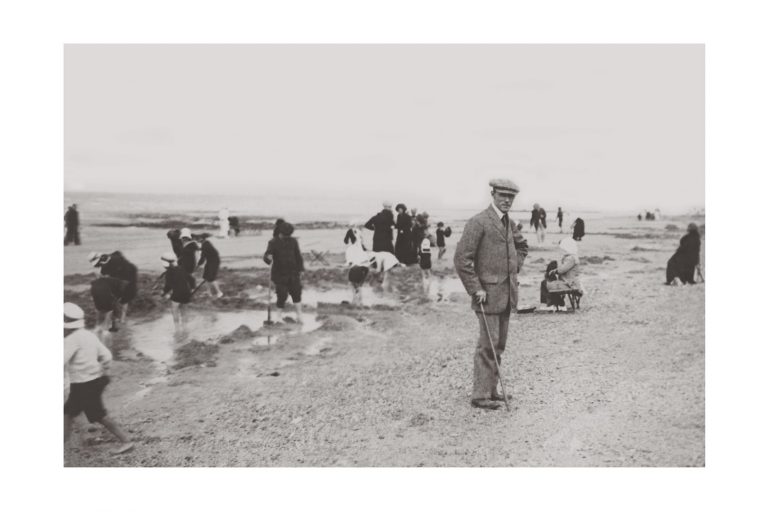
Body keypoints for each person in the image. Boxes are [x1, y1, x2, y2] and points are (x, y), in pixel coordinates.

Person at [454, 179, 528, 410]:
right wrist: (476, 288)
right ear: (493, 194)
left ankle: (492, 390)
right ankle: (480, 395)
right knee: (487, 346)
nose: (507, 200)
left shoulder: (508, 222)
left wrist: (513, 269)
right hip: (486, 296)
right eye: (502, 195)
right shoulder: (478, 222)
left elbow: (522, 246)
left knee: (499, 345)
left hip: (506, 294)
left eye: (511, 197)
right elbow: (462, 259)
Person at [64, 302, 134, 455]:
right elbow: (107, 356)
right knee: (68, 412)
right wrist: (104, 369)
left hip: (83, 384)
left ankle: (126, 440)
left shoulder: (70, 340)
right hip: (94, 380)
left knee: (98, 415)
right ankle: (63, 445)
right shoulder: (88, 335)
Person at [263, 222, 304, 323]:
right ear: (280, 233)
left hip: (293, 272)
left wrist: (301, 269)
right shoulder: (273, 242)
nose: (287, 236)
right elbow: (267, 256)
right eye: (285, 235)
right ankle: (278, 317)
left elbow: (298, 256)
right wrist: (268, 258)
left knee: (296, 293)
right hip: (279, 274)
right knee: (282, 295)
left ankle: (299, 315)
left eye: (288, 235)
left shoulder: (293, 241)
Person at [92, 251, 138, 323]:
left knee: (125, 297)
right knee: (115, 295)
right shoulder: (105, 264)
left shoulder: (115, 259)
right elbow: (105, 275)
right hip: (121, 274)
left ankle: (122, 319)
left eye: (97, 264)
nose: (97, 266)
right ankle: (116, 316)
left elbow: (124, 268)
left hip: (129, 274)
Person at [541, 238, 583, 310]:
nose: (562, 250)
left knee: (545, 283)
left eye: (563, 248)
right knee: (550, 283)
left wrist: (554, 270)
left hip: (569, 283)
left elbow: (561, 270)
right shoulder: (573, 257)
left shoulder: (571, 258)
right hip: (570, 282)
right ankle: (556, 303)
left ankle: (556, 304)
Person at [161, 252, 195, 330]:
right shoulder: (182, 268)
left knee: (175, 310)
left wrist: (164, 292)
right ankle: (185, 328)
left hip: (177, 294)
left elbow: (168, 285)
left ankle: (177, 329)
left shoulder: (169, 272)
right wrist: (192, 289)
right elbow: (192, 280)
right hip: (187, 293)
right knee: (184, 311)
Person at [418, 228, 435, 294]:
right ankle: (429, 281)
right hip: (427, 256)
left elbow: (420, 253)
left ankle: (424, 281)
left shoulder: (422, 242)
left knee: (423, 271)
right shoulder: (428, 240)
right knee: (428, 270)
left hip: (423, 256)